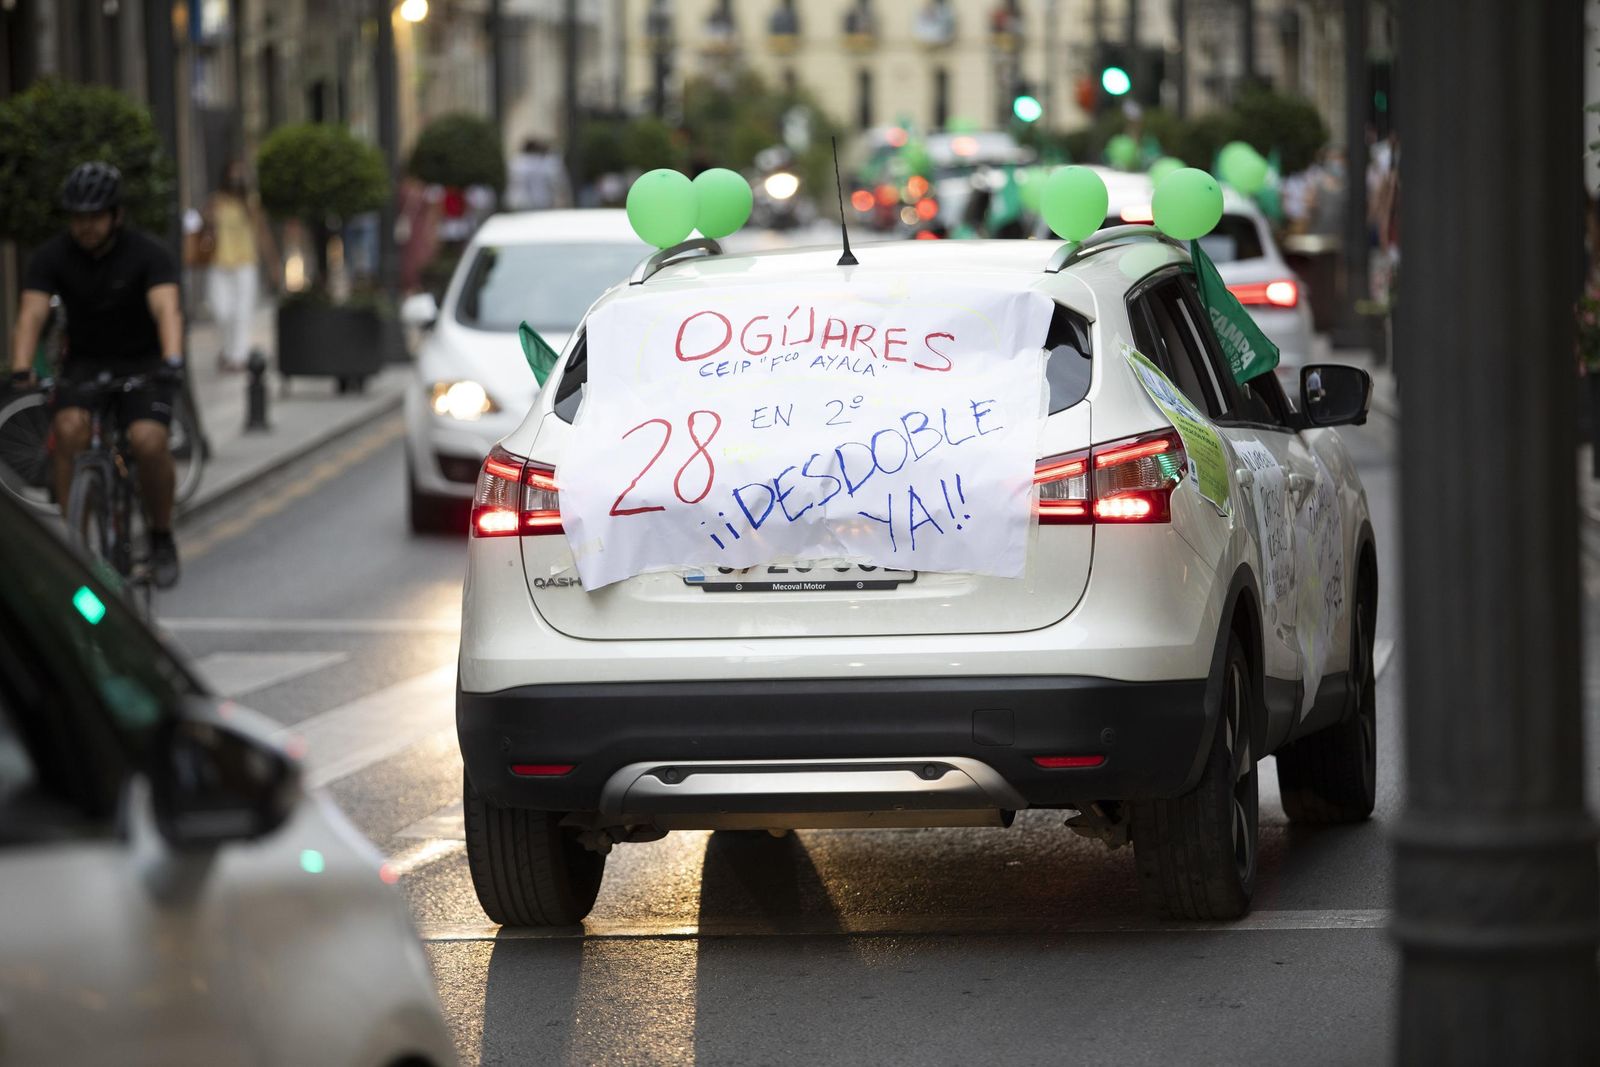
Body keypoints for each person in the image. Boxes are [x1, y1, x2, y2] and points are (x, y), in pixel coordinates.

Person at [7, 162, 185, 587]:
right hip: (84, 366)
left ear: (116, 215)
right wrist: (20, 366)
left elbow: (167, 308)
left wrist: (173, 358)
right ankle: (74, 546)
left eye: (95, 216)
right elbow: (31, 312)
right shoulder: (52, 256)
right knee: (69, 430)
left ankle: (161, 537)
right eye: (78, 217)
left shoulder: (148, 253)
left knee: (148, 440)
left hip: (142, 365)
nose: (86, 227)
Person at [203, 158, 280, 371]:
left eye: (241, 172)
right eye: (234, 172)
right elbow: (204, 227)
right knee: (221, 309)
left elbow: (263, 234)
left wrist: (273, 263)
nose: (237, 177)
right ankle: (228, 350)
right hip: (219, 261)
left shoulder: (251, 203)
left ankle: (238, 357)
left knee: (242, 310)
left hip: (245, 262)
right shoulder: (216, 201)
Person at [505, 138, 571, 212]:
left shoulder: (517, 162)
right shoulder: (548, 162)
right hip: (541, 201)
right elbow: (558, 182)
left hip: (522, 202)